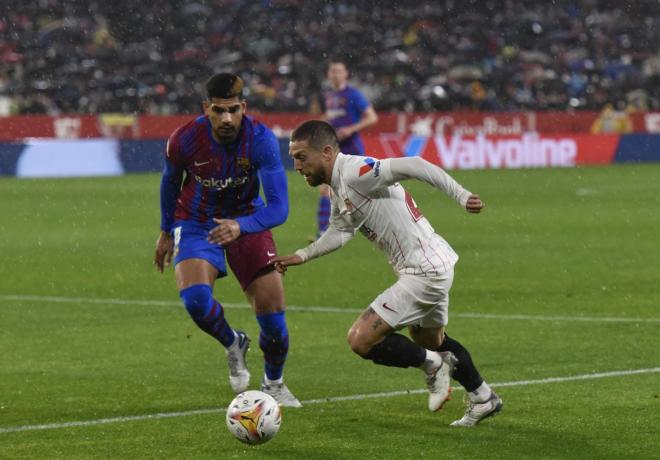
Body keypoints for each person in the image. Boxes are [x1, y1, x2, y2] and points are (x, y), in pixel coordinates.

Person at [274, 120, 503, 426]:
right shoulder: (337, 186)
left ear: (327, 152)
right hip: (433, 263)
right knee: (431, 340)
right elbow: (341, 232)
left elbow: (415, 164)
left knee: (361, 339)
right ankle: (483, 397)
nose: (297, 165)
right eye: (293, 158)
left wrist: (461, 196)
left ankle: (434, 367)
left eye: (302, 157)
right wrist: (301, 256)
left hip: (423, 270)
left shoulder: (356, 172)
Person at [153, 73, 301, 407]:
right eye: (219, 111)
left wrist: (242, 225)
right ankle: (233, 342)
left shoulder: (260, 139)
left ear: (244, 107)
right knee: (195, 301)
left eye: (234, 110)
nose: (227, 118)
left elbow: (279, 207)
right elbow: (169, 183)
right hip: (196, 222)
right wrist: (165, 230)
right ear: (206, 109)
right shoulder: (184, 139)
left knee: (274, 321)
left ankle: (274, 384)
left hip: (248, 218)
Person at [314, 58, 378, 239]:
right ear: (328, 74)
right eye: (332, 71)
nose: (335, 74)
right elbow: (331, 117)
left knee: (357, 190)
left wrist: (351, 129)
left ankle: (373, 225)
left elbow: (372, 117)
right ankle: (323, 231)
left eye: (339, 71)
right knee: (326, 188)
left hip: (352, 148)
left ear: (345, 74)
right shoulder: (329, 95)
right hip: (333, 148)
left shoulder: (353, 94)